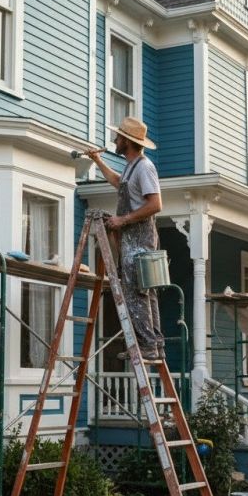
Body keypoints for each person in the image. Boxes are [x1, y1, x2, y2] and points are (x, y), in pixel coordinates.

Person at [87, 117, 165, 360]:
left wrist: (123, 220)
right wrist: (98, 161)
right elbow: (119, 184)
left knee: (137, 293)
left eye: (118, 137)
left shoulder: (144, 167)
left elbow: (155, 204)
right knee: (145, 291)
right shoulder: (132, 167)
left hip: (141, 239)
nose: (115, 140)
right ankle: (155, 344)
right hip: (132, 238)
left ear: (128, 142)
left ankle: (148, 346)